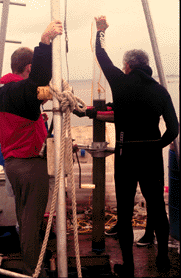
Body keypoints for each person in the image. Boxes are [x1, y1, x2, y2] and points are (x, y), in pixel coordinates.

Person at [94, 16, 178, 278]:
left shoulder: (120, 81)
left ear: (128, 66)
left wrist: (101, 31)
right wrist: (156, 145)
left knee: (125, 210)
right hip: (151, 155)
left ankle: (128, 266)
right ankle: (163, 259)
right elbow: (174, 129)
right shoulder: (161, 91)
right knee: (156, 207)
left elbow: (100, 55)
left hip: (126, 153)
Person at [0, 20, 63, 278]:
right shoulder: (22, 90)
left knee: (24, 218)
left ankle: (31, 262)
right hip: (30, 165)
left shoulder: (4, 92)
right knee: (32, 222)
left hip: (12, 164)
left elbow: (34, 91)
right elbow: (38, 80)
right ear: (29, 67)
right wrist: (44, 41)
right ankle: (34, 271)